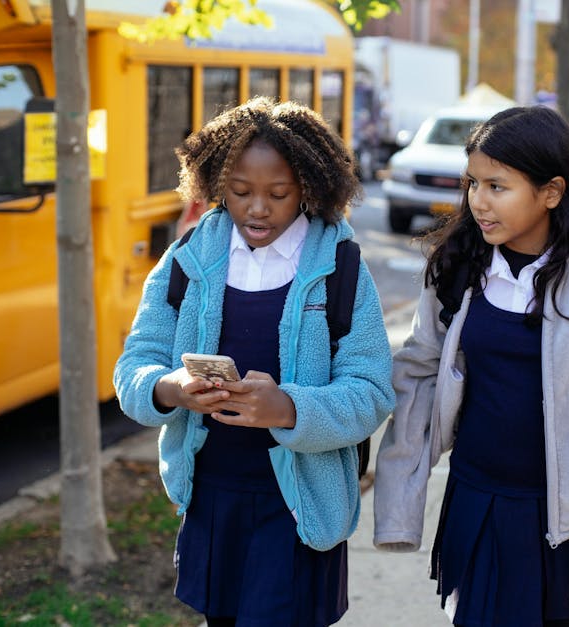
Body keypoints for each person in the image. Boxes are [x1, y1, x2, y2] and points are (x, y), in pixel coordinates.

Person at [373, 105, 569, 626]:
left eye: (497, 186)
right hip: (474, 504)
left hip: (556, 527)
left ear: (551, 192)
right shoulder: (458, 268)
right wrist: (399, 504)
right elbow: (419, 373)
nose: (478, 202)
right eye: (473, 184)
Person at [113, 96, 394, 627]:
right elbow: (134, 366)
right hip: (213, 498)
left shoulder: (342, 269)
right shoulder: (187, 258)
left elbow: (373, 391)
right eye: (240, 192)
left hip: (298, 506)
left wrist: (288, 407)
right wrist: (168, 388)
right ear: (216, 184)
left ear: (309, 187)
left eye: (278, 193)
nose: (257, 209)